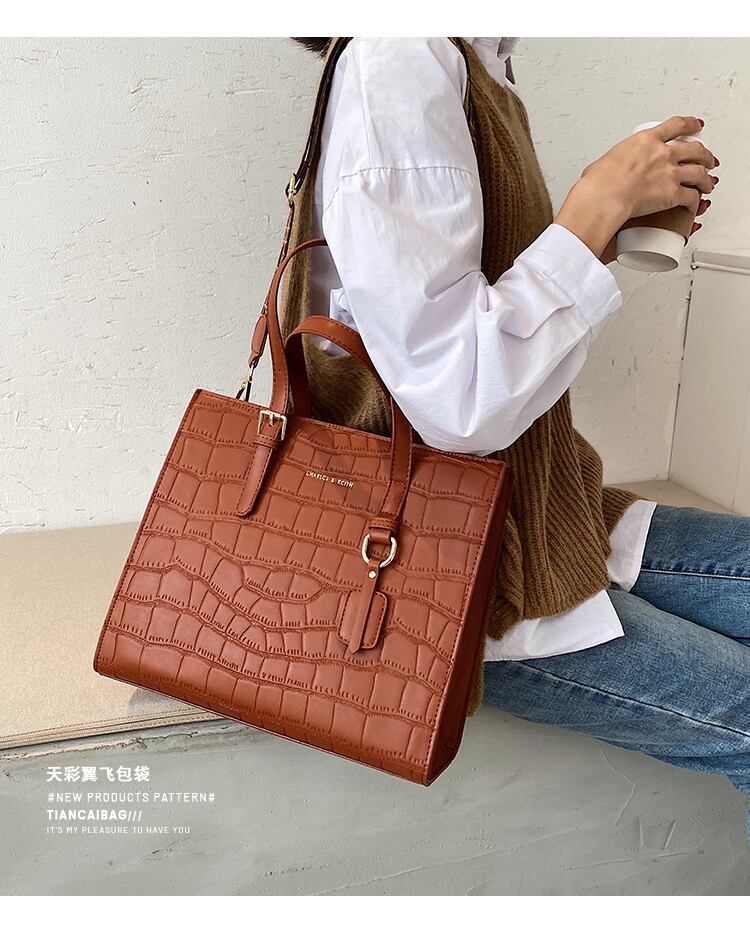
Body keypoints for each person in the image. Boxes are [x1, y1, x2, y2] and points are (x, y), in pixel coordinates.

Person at [286, 37, 749, 839]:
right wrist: (594, 206)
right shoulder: (402, 54)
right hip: (447, 566)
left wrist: (607, 228)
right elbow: (458, 399)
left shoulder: (467, 54)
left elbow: (447, 324)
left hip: (542, 509)